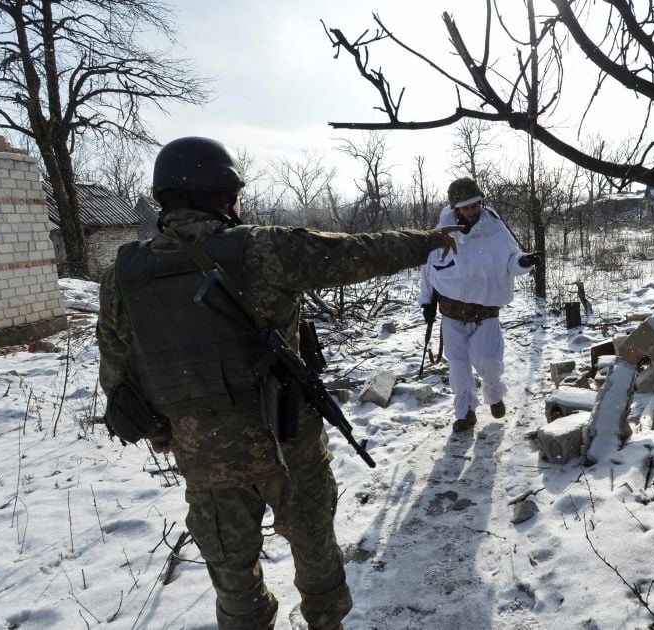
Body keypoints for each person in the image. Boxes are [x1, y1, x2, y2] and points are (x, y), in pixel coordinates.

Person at [96, 136, 458, 630]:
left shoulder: (124, 274)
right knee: (316, 553)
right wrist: (430, 239)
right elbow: (358, 253)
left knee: (233, 579)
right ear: (225, 196)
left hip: (204, 460)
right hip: (288, 445)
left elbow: (116, 372)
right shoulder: (262, 248)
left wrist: (161, 429)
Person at [418, 177, 539, 431]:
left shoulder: (495, 230)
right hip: (452, 312)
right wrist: (427, 301)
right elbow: (428, 270)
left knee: (489, 361)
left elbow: (511, 260)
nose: (471, 211)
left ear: (480, 203)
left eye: (474, 205)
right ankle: (465, 413)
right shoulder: (442, 234)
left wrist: (523, 263)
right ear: (455, 208)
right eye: (465, 207)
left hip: (485, 310)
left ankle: (494, 395)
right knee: (458, 366)